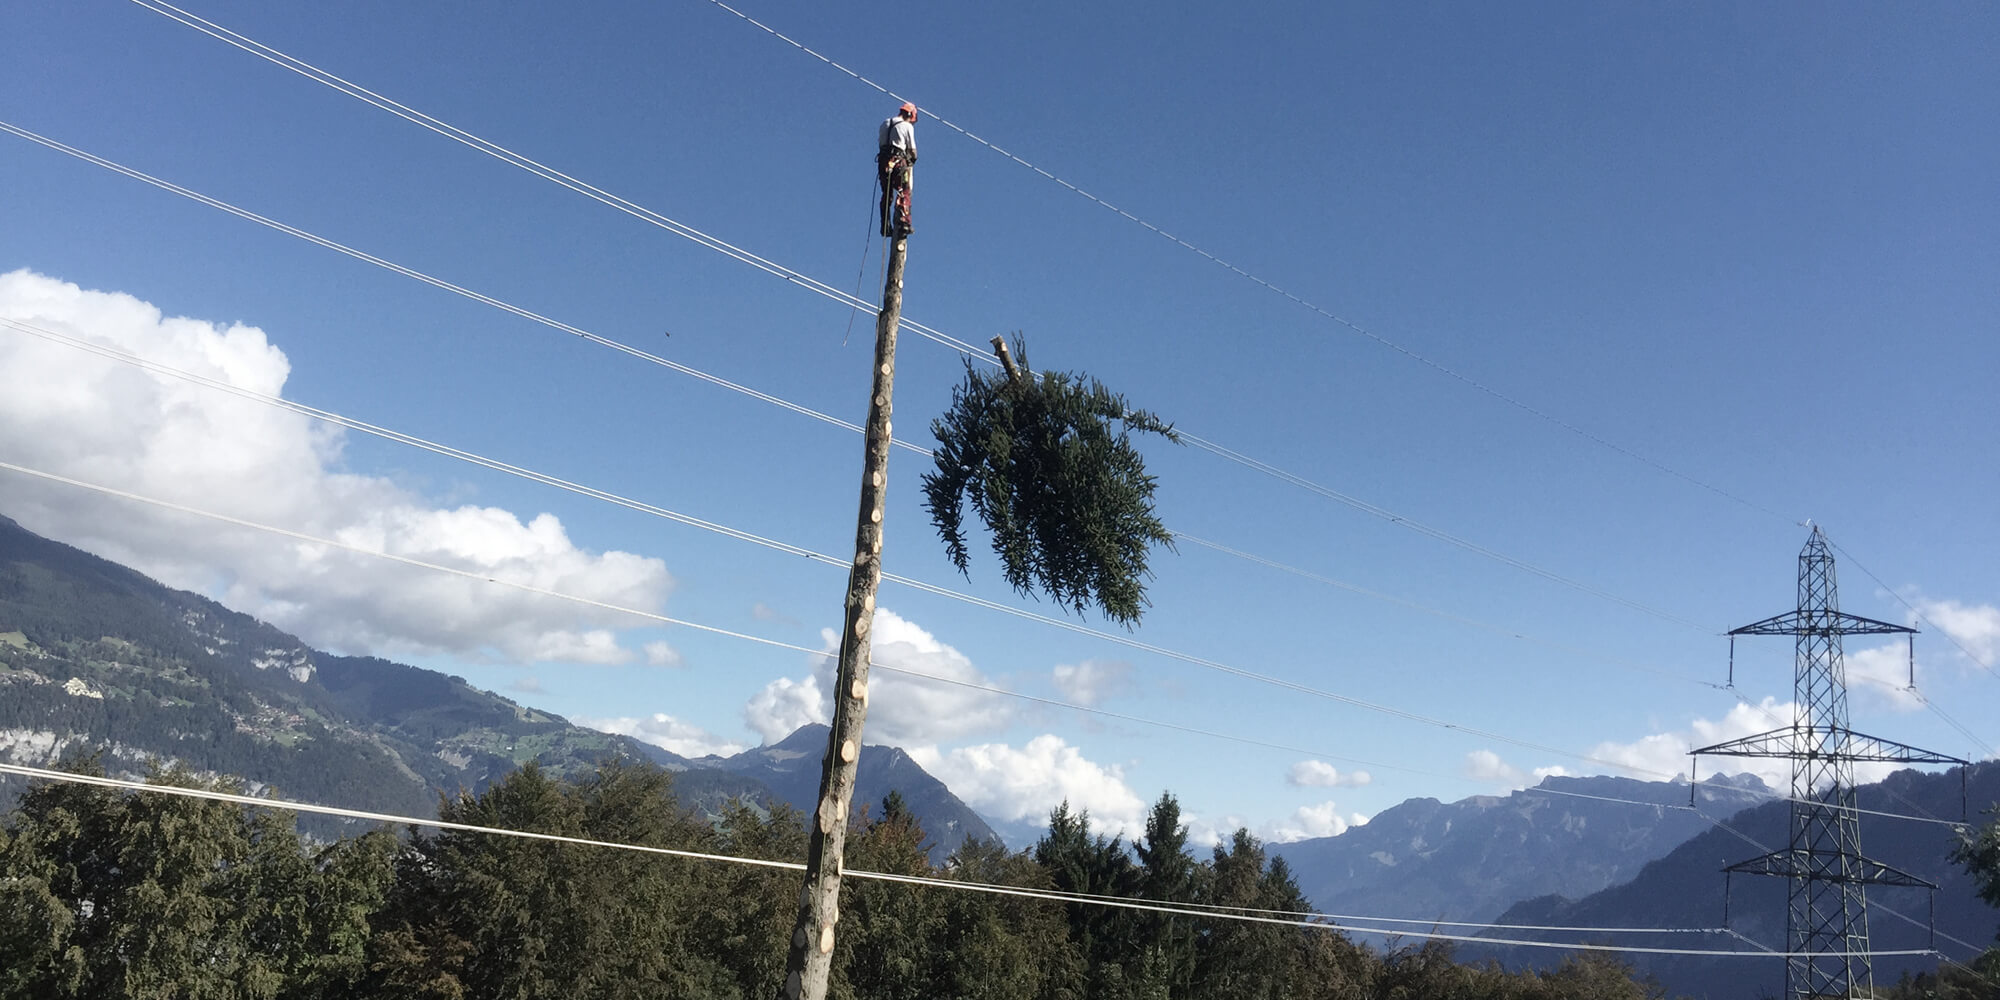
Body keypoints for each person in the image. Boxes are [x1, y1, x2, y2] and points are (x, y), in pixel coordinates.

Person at [877, 102, 917, 237]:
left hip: (883, 162)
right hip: (898, 161)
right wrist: (912, 160)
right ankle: (904, 223)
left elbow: (881, 143)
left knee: (886, 194)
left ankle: (885, 225)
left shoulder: (885, 123)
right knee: (903, 191)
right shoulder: (907, 126)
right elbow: (913, 151)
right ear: (910, 114)